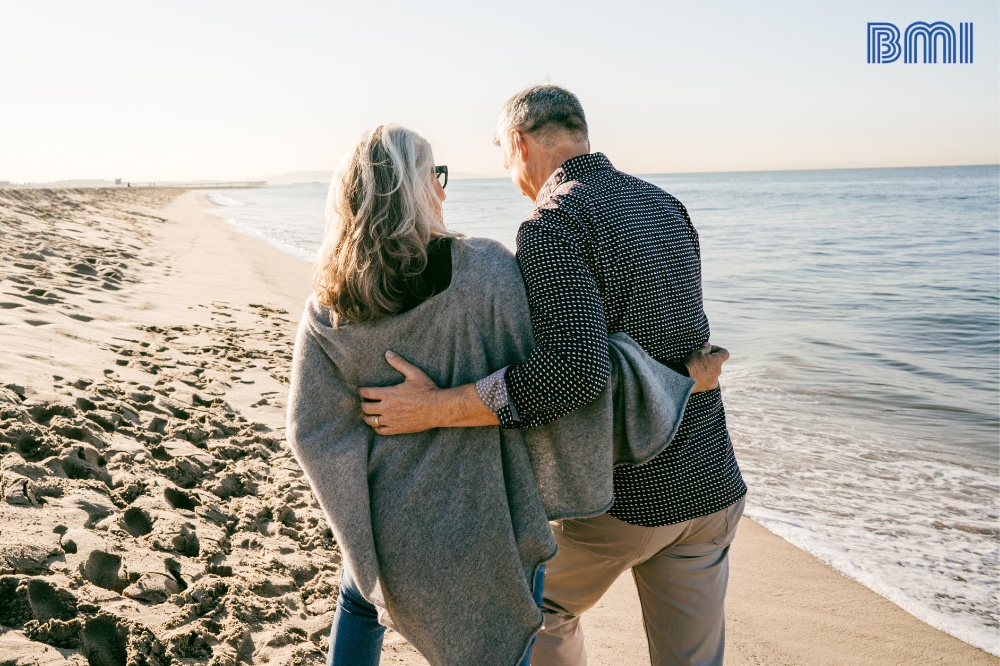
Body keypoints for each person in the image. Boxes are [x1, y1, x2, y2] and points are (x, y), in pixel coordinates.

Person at [286, 124, 726, 666]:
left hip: (387, 513)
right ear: (416, 188)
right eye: (436, 176)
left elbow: (311, 431)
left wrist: (357, 517)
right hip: (485, 506)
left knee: (359, 596)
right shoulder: (487, 270)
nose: (444, 189)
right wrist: (680, 375)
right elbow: (570, 372)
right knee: (518, 622)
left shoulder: (327, 302)